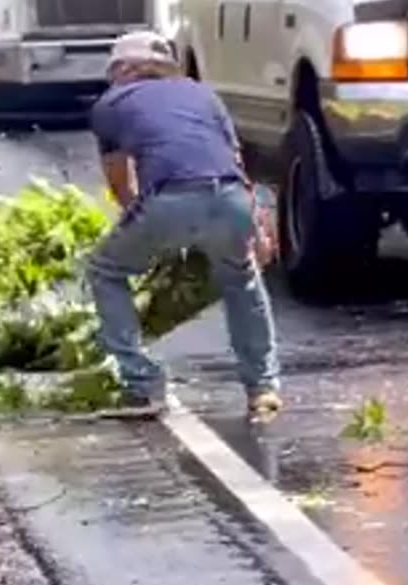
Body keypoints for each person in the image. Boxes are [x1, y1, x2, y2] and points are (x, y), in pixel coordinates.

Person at [86, 30, 282, 419]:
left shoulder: (110, 103)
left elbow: (118, 179)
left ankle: (143, 384)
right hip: (232, 199)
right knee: (241, 277)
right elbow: (236, 164)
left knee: (105, 270)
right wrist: (258, 229)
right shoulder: (203, 94)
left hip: (170, 199)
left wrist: (143, 227)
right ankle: (262, 387)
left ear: (122, 69)